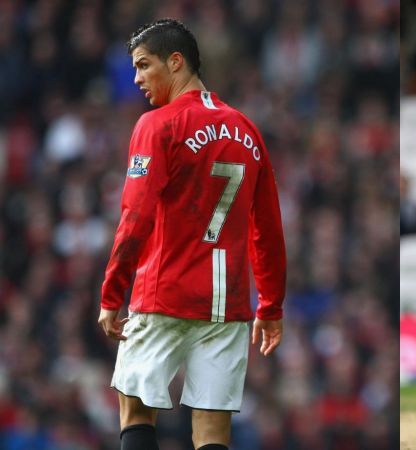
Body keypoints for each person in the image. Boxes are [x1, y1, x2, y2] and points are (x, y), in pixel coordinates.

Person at [97, 19, 287, 450]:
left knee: (136, 409)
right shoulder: (247, 130)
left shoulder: (157, 125)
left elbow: (135, 218)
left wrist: (112, 294)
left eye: (144, 65)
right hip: (228, 305)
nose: (137, 78)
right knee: (213, 431)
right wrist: (270, 306)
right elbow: (269, 229)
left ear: (176, 61)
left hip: (164, 293)